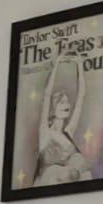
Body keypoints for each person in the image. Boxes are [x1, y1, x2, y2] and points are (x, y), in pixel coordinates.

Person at [33, 50, 93, 187]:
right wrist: (57, 64)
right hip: (47, 185)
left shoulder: (68, 131)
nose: (67, 105)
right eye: (62, 102)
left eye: (67, 102)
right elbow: (47, 95)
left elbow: (81, 96)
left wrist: (79, 65)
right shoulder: (45, 132)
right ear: (52, 109)